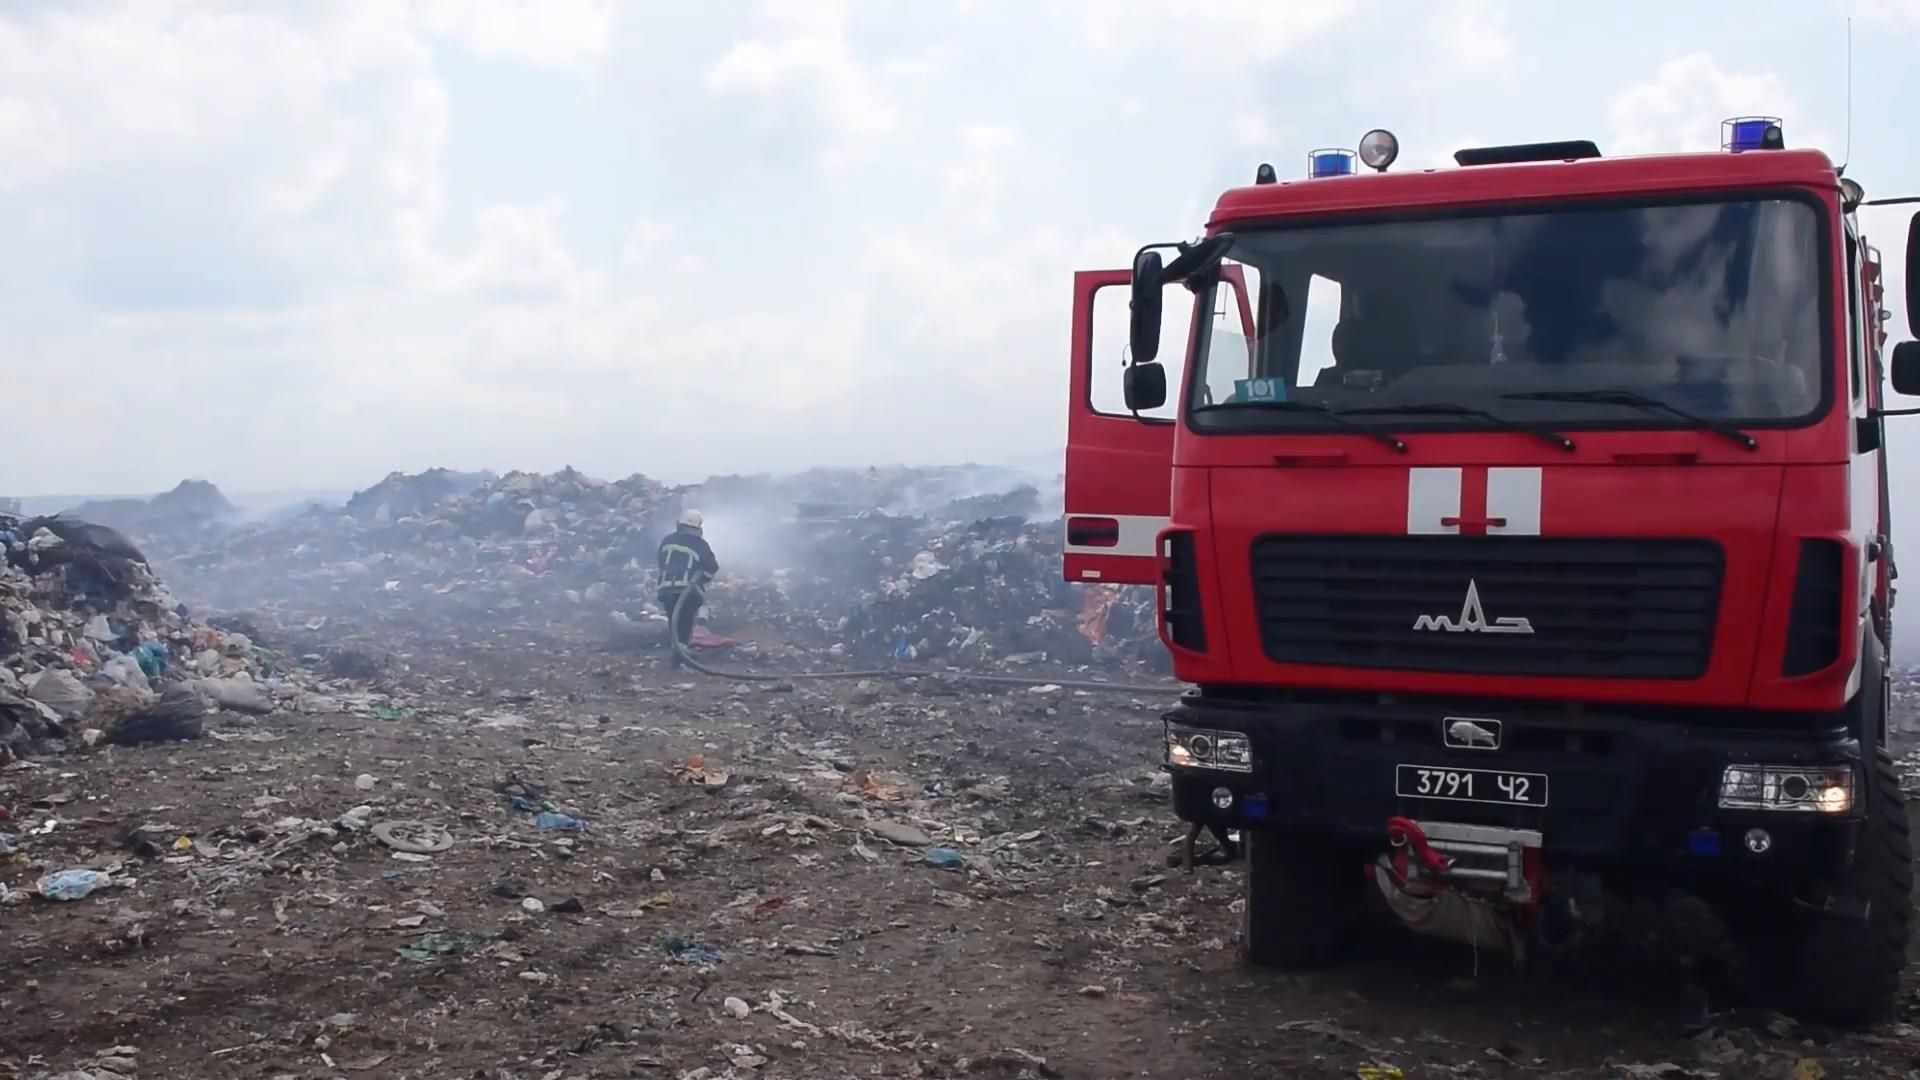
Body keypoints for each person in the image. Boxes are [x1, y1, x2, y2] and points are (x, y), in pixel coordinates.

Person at [656, 509, 719, 667]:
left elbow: (661, 562)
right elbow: (712, 567)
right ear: (698, 528)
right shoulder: (699, 544)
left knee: (673, 619)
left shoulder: (667, 540)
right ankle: (681, 654)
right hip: (687, 590)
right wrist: (702, 579)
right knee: (685, 620)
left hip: (665, 588)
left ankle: (677, 649)